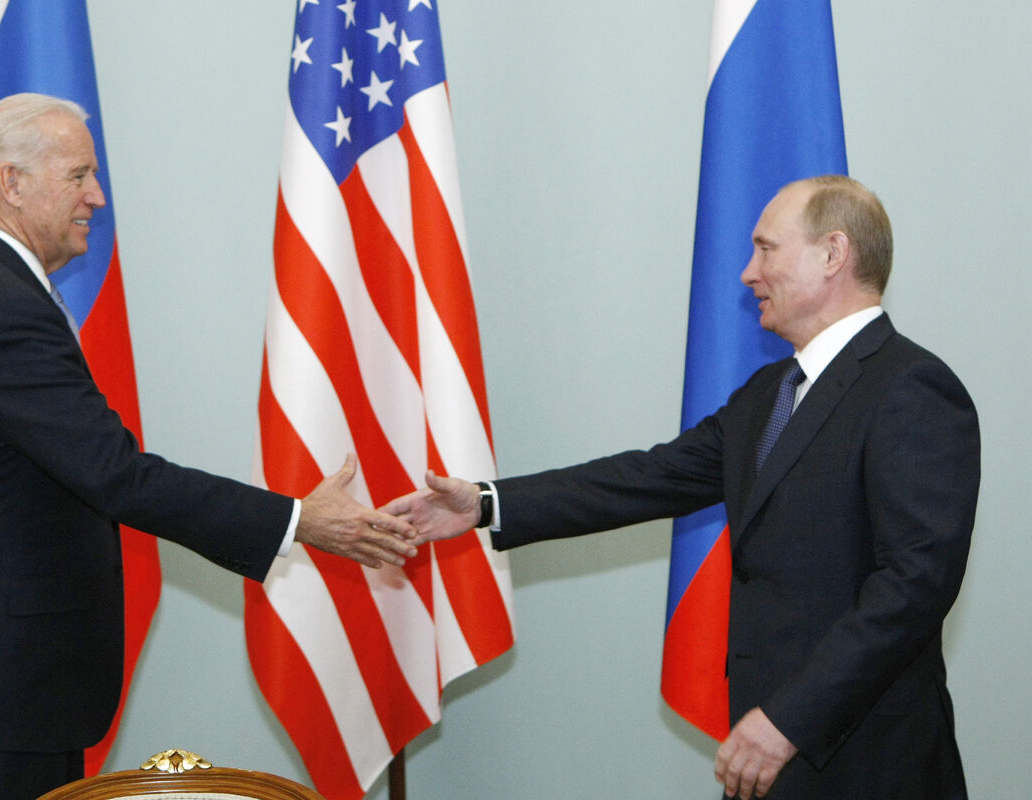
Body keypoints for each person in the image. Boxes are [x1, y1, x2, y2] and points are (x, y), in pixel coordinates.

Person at [382, 175, 979, 799]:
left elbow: (915, 584)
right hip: (769, 756)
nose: (749, 273)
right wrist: (485, 504)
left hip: (867, 762)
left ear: (833, 254)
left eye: (766, 249)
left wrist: (789, 719)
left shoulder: (911, 389)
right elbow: (646, 478)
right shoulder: (767, 395)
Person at [0, 93, 416, 800]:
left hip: (9, 690)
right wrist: (297, 520)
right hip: (1, 693)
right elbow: (118, 476)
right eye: (79, 174)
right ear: (11, 183)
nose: (97, 196)